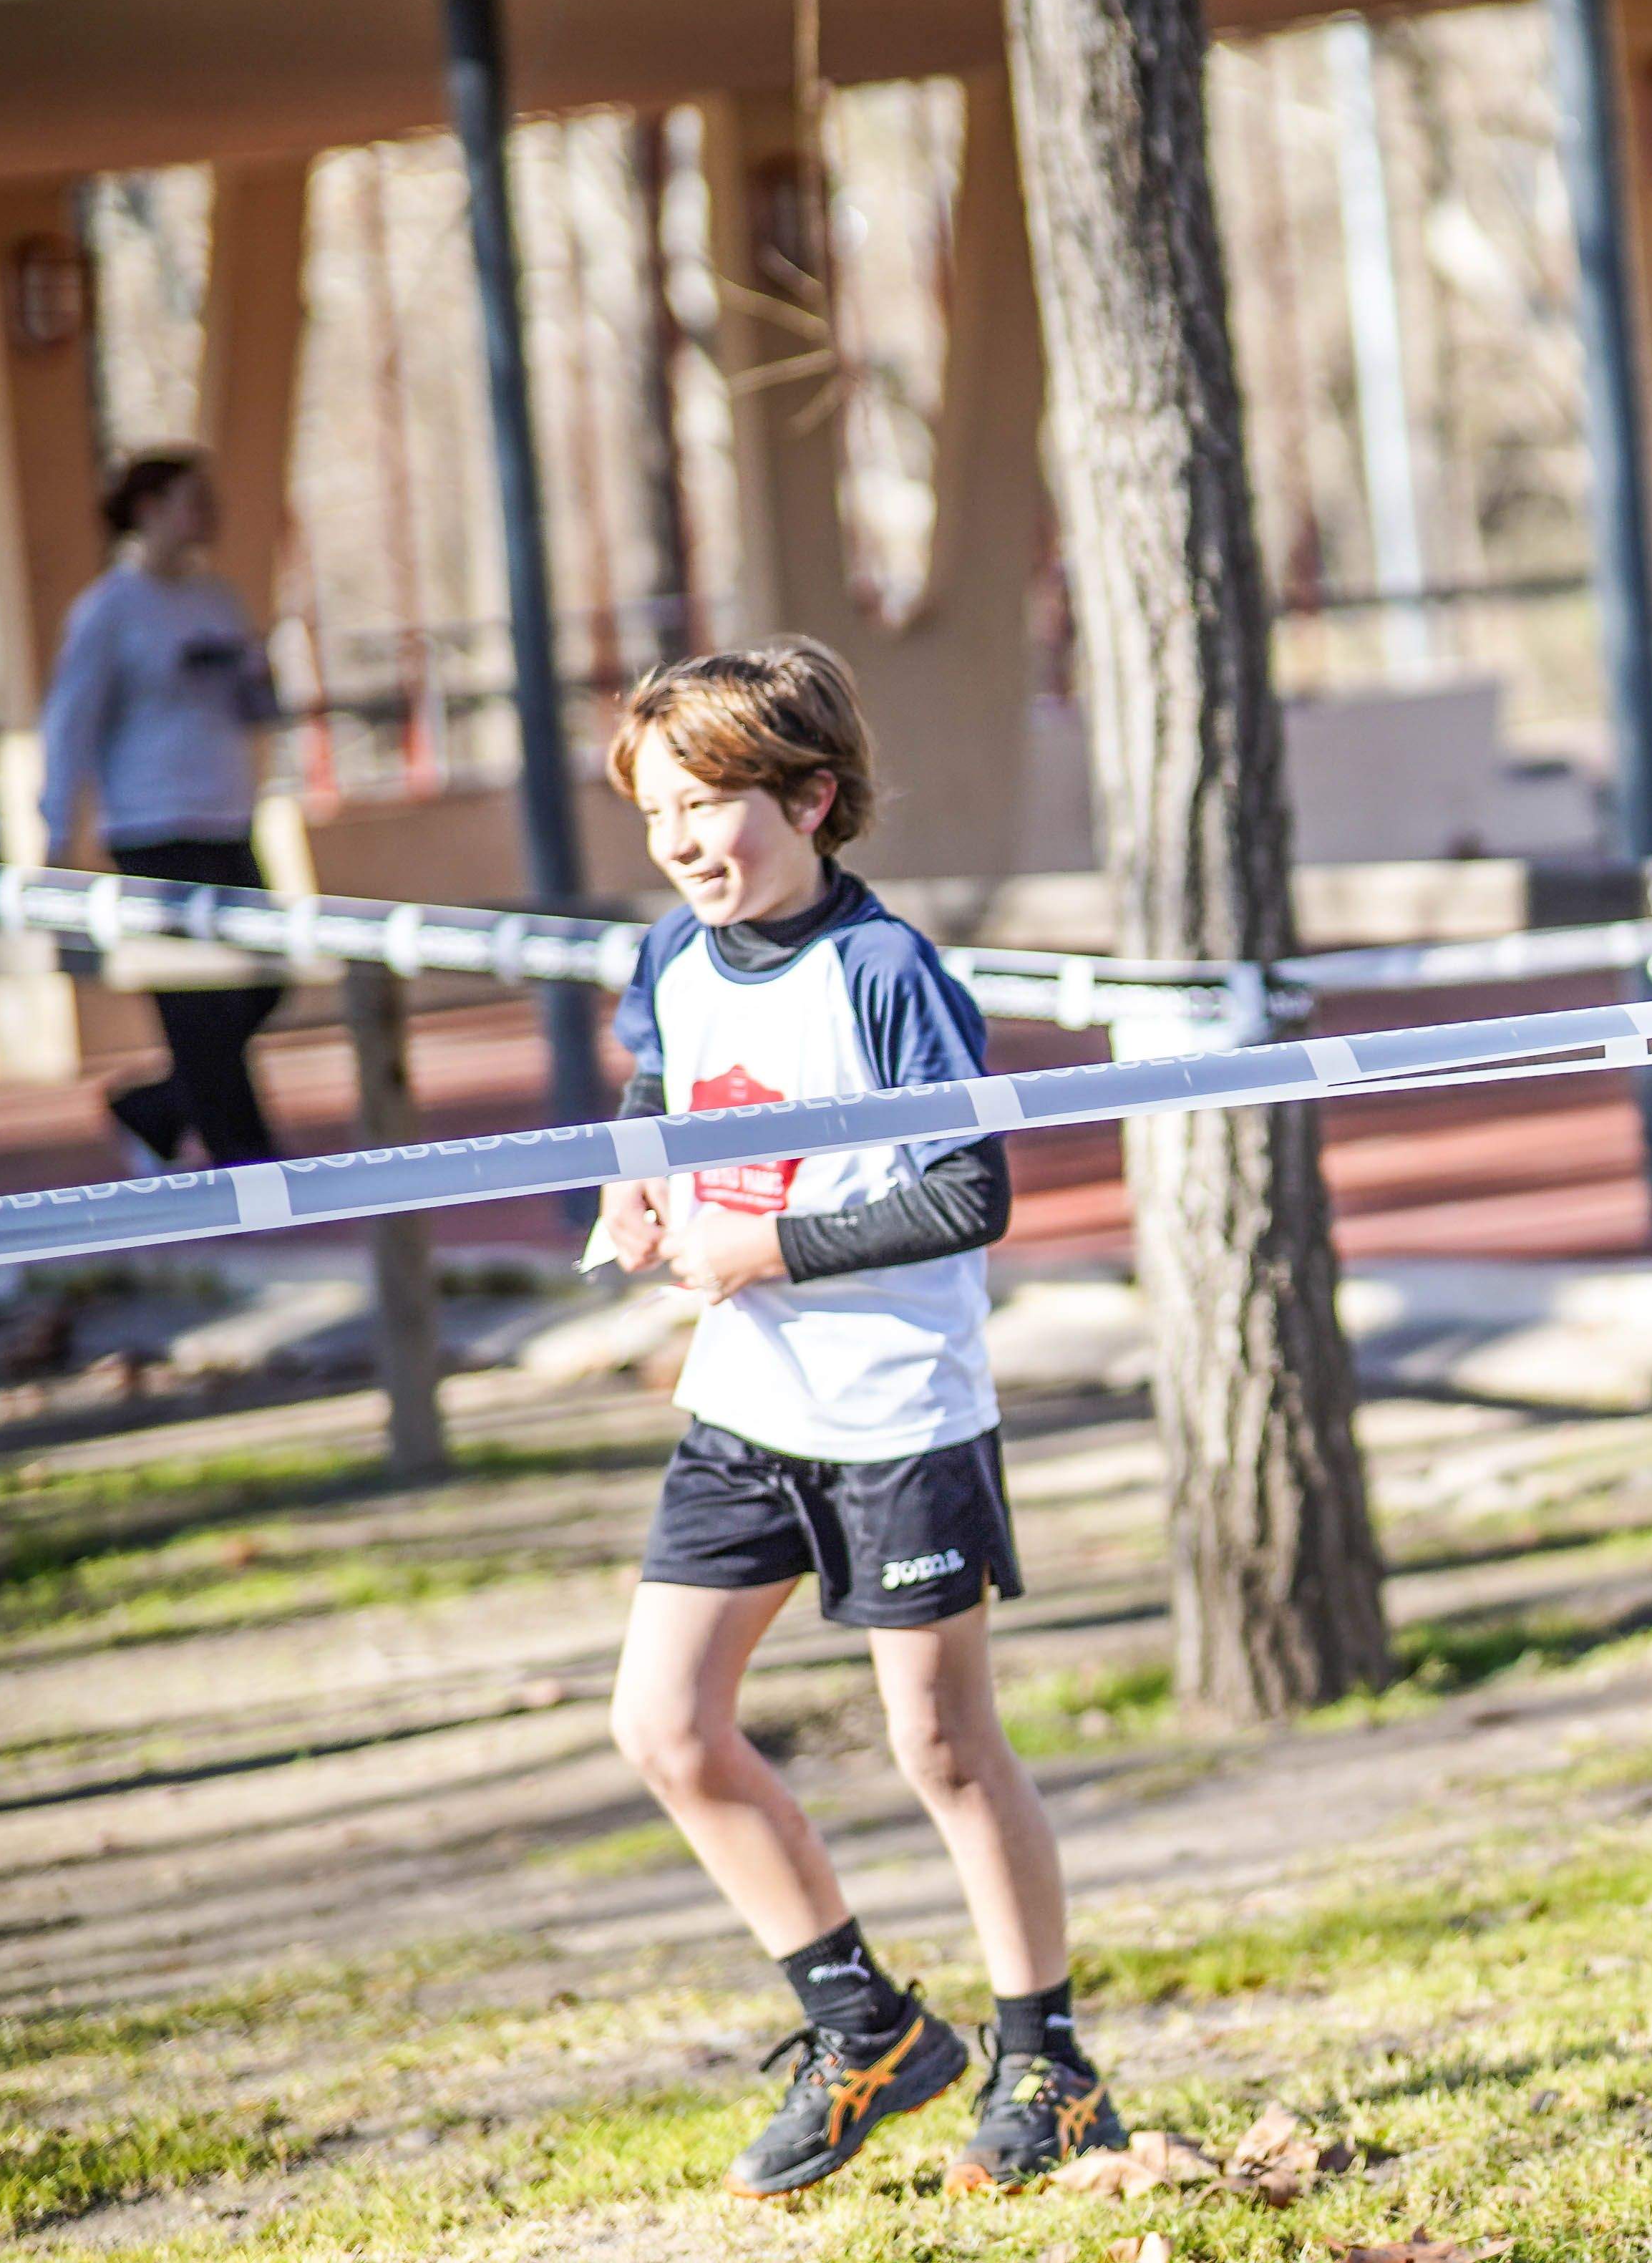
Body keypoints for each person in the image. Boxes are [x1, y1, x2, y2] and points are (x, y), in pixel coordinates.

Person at [591, 640, 1121, 2200]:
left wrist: (766, 1246)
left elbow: (972, 1187)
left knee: (941, 1741)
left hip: (898, 1415)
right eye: (660, 812)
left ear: (813, 797)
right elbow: (651, 1081)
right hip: (743, 1408)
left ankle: (1050, 2058)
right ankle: (861, 2022)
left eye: (714, 805)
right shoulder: (673, 956)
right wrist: (635, 1175)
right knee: (666, 1726)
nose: (686, 840)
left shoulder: (887, 974)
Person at [36, 448, 286, 1171]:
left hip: (226, 812)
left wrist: (253, 679)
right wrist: (57, 827)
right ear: (149, 510)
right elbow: (70, 720)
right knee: (193, 1000)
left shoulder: (218, 599)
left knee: (264, 977)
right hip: (151, 823)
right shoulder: (109, 610)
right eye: (192, 499)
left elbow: (255, 706)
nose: (208, 513)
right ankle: (244, 1153)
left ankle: (152, 1108)